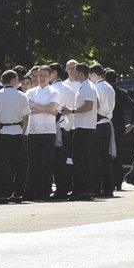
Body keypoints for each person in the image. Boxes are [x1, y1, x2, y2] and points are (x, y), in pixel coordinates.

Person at [0, 69, 30, 203]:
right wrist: (22, 131)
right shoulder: (21, 95)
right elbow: (26, 117)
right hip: (17, 131)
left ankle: (4, 193)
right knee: (19, 164)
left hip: (2, 132)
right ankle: (18, 193)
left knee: (3, 165)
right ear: (12, 80)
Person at [62, 63, 98, 201]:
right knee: (81, 158)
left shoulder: (87, 87)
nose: (73, 74)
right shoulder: (85, 86)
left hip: (84, 127)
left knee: (79, 159)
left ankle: (83, 190)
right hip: (84, 126)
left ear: (82, 73)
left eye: (75, 72)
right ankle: (82, 189)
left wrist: (72, 111)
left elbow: (89, 106)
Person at [25, 65, 61, 201]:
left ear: (49, 76)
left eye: (45, 75)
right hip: (33, 131)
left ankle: (45, 191)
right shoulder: (31, 92)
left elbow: (53, 109)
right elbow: (29, 109)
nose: (42, 78)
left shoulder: (54, 92)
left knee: (47, 163)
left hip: (48, 131)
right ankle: (31, 191)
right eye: (40, 75)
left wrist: (37, 107)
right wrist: (45, 109)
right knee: (33, 163)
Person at [52, 61, 78, 200]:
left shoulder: (54, 89)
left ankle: (62, 188)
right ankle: (66, 185)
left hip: (58, 126)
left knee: (59, 160)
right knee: (67, 159)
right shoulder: (67, 88)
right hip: (68, 126)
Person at [90, 64, 116, 196]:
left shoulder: (96, 88)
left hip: (98, 123)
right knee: (105, 158)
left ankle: (96, 188)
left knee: (96, 158)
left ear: (94, 74)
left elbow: (96, 106)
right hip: (107, 123)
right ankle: (108, 187)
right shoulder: (109, 87)